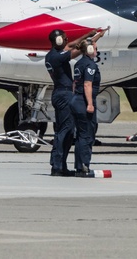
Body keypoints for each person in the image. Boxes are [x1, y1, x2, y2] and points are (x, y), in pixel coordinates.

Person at [45, 27, 107, 177]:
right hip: (64, 94)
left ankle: (60, 165)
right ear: (59, 41)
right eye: (64, 39)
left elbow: (74, 44)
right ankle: (58, 165)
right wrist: (94, 39)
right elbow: (79, 49)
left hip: (62, 93)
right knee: (65, 130)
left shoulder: (52, 54)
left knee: (66, 130)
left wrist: (89, 35)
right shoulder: (57, 57)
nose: (67, 40)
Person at [71, 38, 104, 178]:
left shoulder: (78, 63)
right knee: (87, 135)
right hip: (84, 101)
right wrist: (90, 103)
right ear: (90, 50)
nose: (96, 51)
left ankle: (79, 166)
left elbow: (75, 84)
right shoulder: (90, 65)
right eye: (95, 48)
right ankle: (84, 166)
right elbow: (87, 84)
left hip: (76, 100)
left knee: (80, 135)